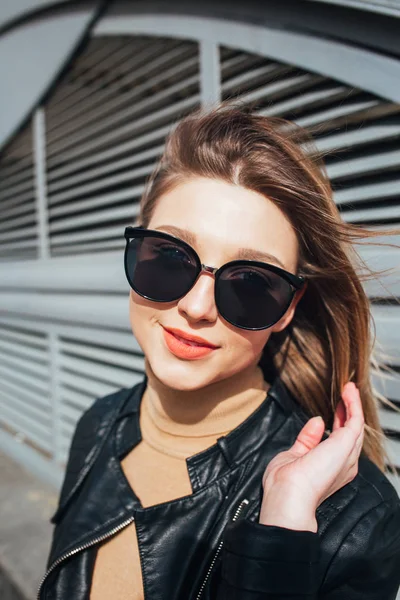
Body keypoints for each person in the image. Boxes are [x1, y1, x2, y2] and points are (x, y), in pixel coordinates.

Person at [39, 103, 400, 600]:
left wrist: (282, 534)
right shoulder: (97, 426)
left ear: (289, 307)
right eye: (169, 256)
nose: (196, 306)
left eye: (252, 282)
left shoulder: (353, 517)